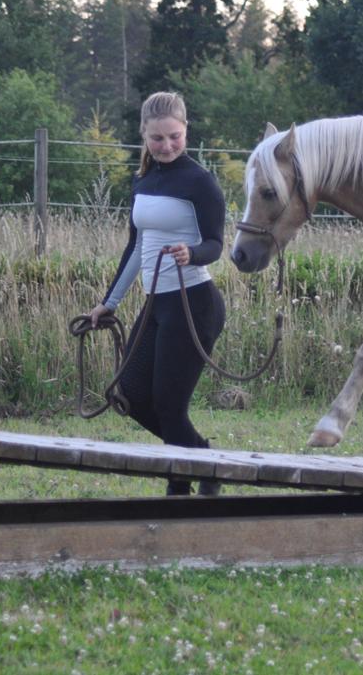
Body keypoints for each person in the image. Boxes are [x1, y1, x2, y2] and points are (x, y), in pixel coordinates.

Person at [87, 91, 226, 496]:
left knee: (169, 405)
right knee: (128, 393)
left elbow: (216, 244)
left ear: (186, 131)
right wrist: (108, 303)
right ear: (144, 136)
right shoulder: (144, 180)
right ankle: (204, 459)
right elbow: (136, 247)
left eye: (174, 137)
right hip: (156, 306)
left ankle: (180, 485)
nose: (166, 146)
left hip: (194, 304)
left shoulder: (200, 182)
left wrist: (192, 252)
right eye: (157, 139)